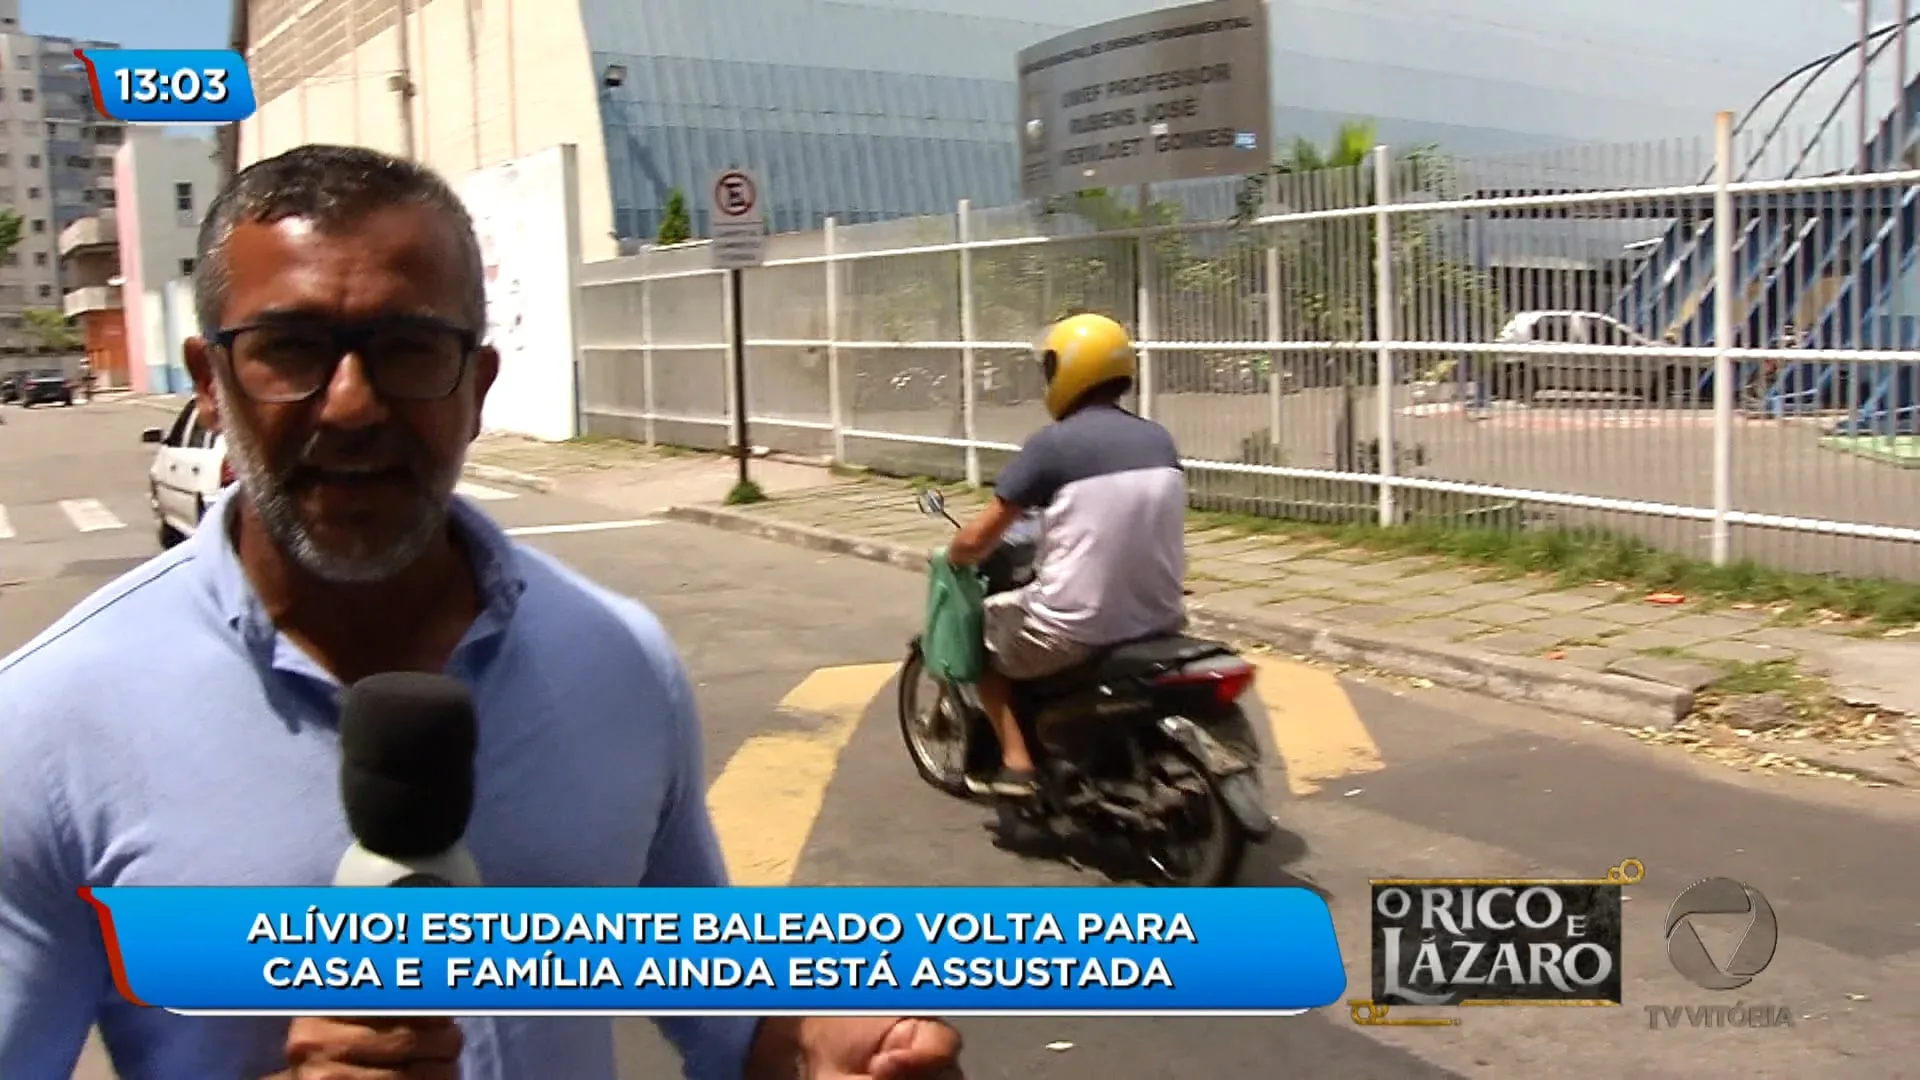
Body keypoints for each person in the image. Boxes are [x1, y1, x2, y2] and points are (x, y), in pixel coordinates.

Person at [0, 144, 963, 1080]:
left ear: (477, 389)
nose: (349, 405)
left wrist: (810, 1050)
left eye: (408, 349)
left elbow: (717, 1010)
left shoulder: (617, 659)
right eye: (289, 348)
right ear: (209, 383)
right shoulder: (49, 727)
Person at [943, 313, 1188, 797]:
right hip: (1160, 618)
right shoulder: (1158, 439)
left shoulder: (1052, 447)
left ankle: (1017, 764)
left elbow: (978, 539)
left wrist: (954, 555)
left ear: (1067, 371)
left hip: (1074, 628)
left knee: (982, 653)